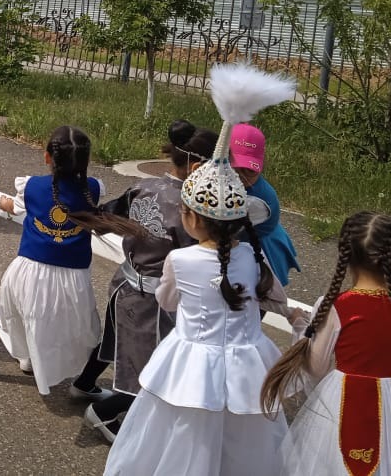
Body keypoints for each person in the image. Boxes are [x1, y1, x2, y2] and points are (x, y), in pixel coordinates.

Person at [103, 64, 302, 476]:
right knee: (242, 442)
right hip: (248, 366)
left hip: (192, 365)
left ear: (191, 218)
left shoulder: (182, 260)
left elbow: (166, 299)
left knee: (183, 438)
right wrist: (294, 316)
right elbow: (274, 295)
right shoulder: (251, 257)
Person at [75, 120, 218, 443]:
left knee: (117, 338)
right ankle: (105, 412)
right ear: (197, 166)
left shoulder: (145, 186)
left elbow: (108, 215)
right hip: (153, 301)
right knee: (152, 369)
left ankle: (84, 382)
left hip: (124, 285)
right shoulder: (189, 208)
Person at [0, 127, 140, 391]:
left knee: (5, 310)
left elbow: (14, 207)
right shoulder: (92, 189)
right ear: (85, 161)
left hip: (28, 268)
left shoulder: (32, 186)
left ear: (48, 157)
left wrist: (3, 203)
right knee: (58, 321)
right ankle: (41, 365)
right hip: (73, 275)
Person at [261, 211, 391, 476]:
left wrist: (300, 327)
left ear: (346, 255)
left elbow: (316, 366)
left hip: (343, 400)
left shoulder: (336, 306)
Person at [229, 123, 300, 287]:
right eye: (234, 168)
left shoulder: (258, 201)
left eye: (249, 171)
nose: (241, 177)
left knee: (254, 299)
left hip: (257, 252)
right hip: (242, 243)